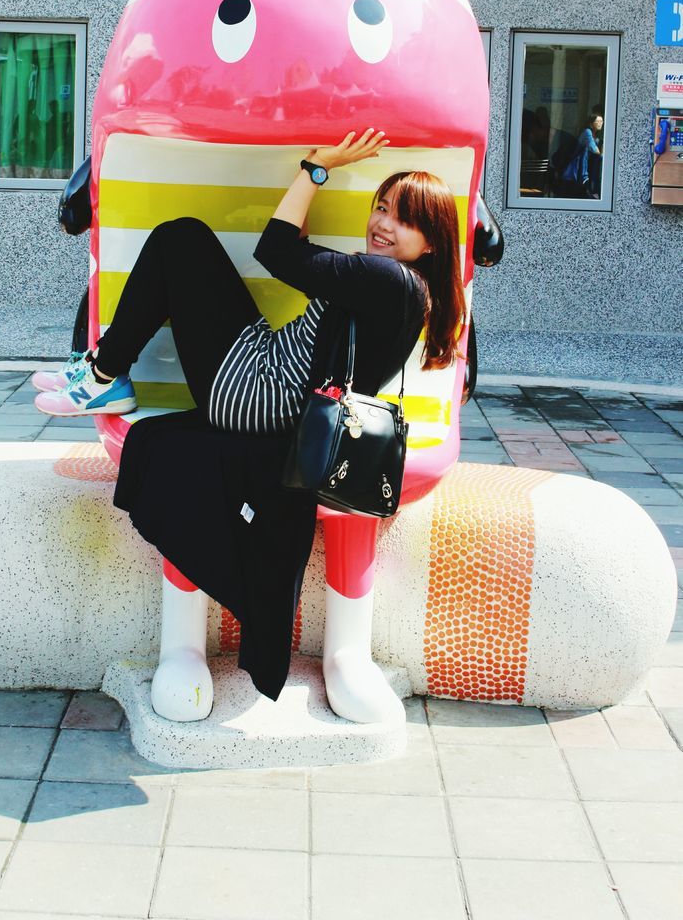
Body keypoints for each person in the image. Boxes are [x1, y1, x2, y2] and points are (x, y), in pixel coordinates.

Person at [32, 129, 467, 700]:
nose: (382, 224)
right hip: (267, 378)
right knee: (182, 244)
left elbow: (277, 250)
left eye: (403, 219)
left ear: (431, 241)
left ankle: (103, 376)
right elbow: (303, 268)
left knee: (178, 241)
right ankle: (102, 371)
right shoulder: (407, 292)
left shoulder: (385, 279)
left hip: (252, 391)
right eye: (381, 207)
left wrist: (316, 167)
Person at [560, 110, 603, 199]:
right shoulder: (587, 132)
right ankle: (587, 182)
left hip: (588, 169)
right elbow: (596, 151)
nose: (600, 124)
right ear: (591, 124)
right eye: (597, 122)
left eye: (601, 121)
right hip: (579, 170)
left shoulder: (597, 137)